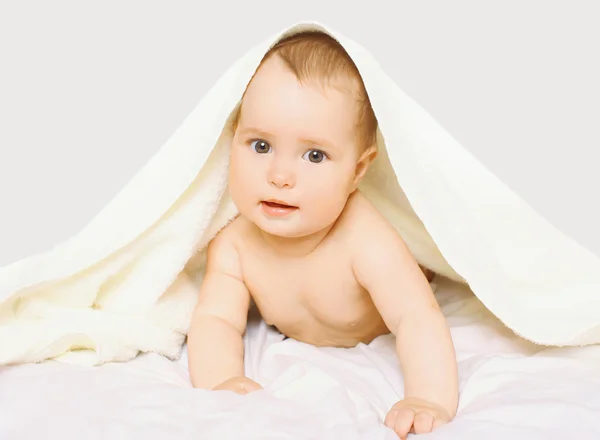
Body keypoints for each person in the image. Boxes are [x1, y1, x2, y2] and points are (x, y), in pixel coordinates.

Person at [187, 30, 458, 439]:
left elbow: (414, 315)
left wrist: (428, 397)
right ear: (232, 140)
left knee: (420, 277)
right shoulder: (234, 246)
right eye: (260, 146)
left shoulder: (365, 238)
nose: (279, 176)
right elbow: (216, 320)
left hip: (382, 316)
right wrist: (222, 380)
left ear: (358, 170)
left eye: (315, 155)